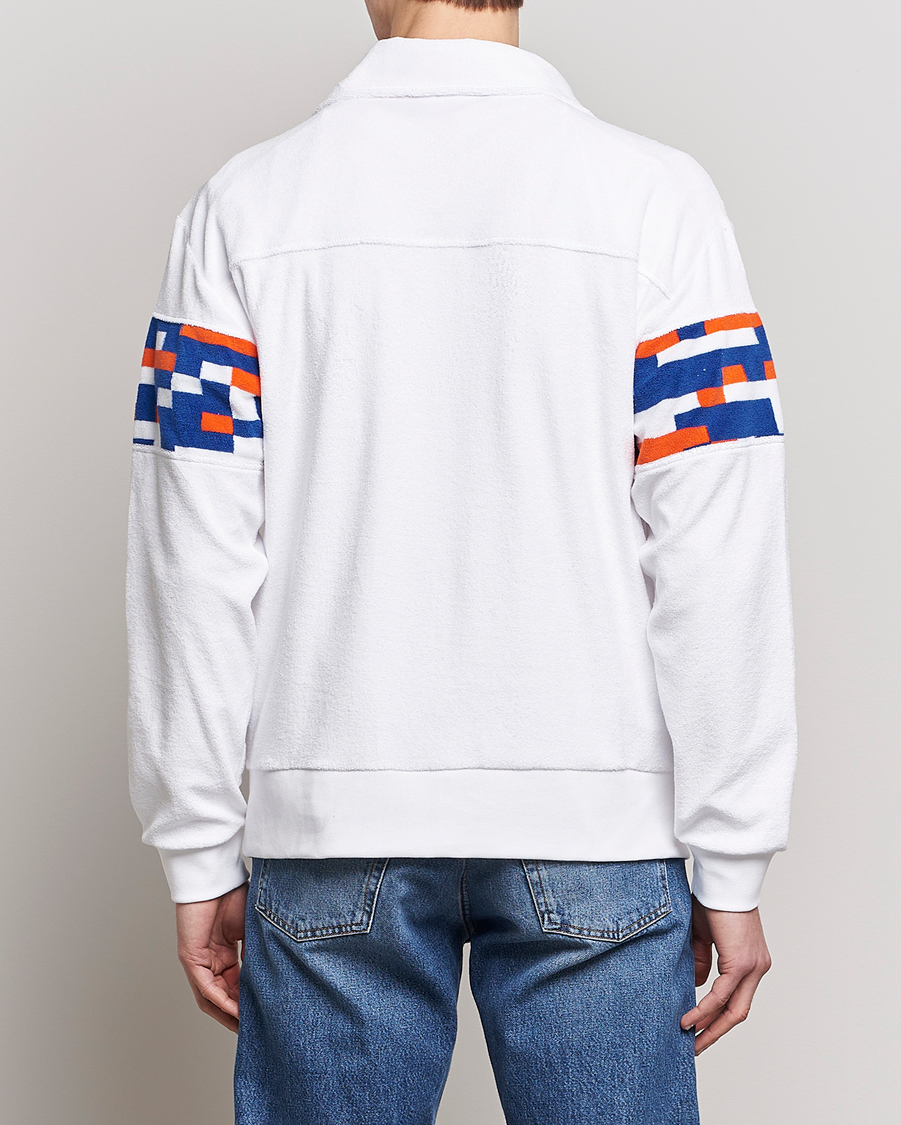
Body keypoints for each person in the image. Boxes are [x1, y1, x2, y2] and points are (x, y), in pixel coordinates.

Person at [126, 0, 797, 1120]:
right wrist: (732, 851)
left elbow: (191, 551)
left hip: (333, 817)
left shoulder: (244, 206)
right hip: (597, 821)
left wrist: (197, 842)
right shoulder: (657, 199)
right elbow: (716, 547)